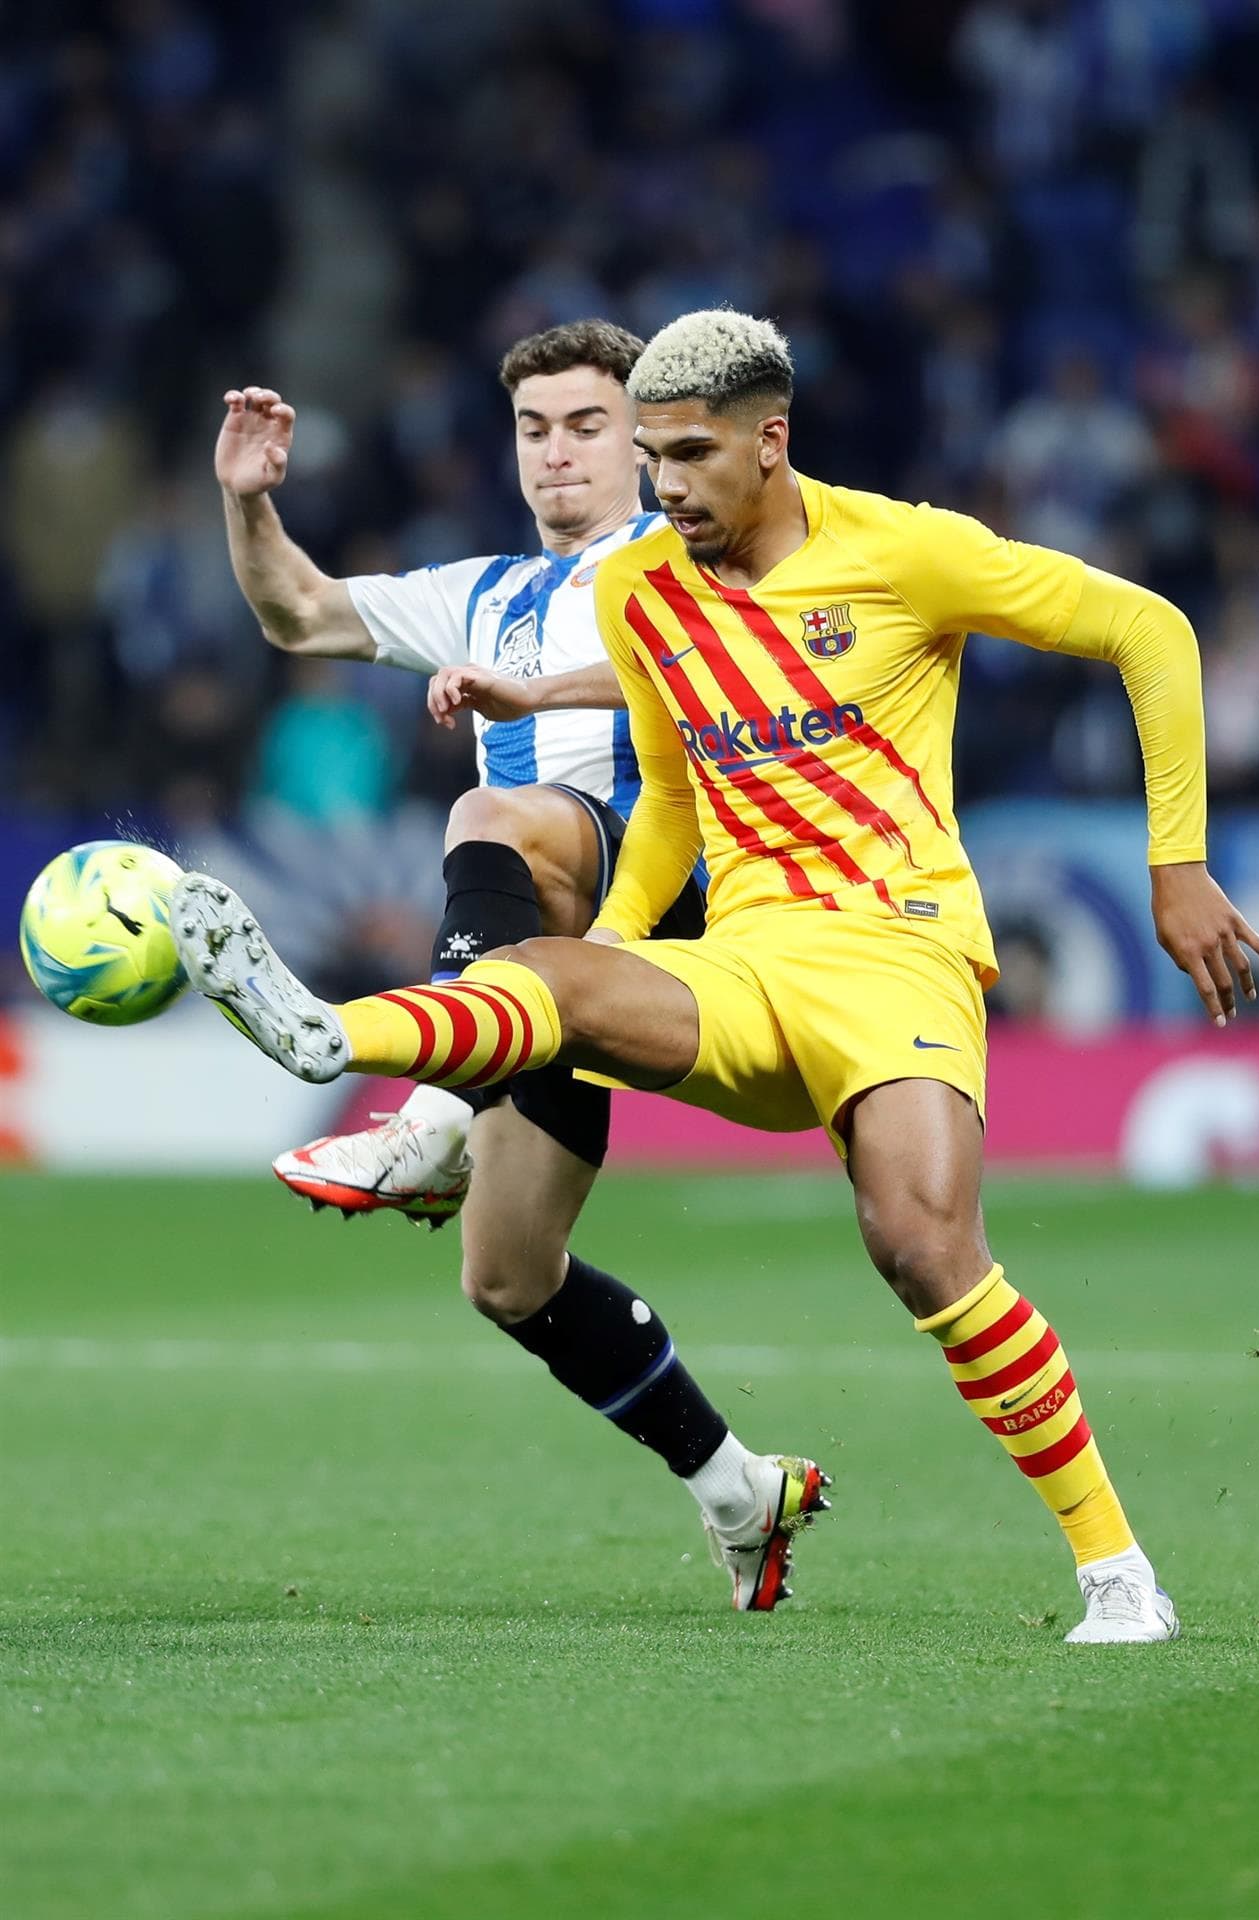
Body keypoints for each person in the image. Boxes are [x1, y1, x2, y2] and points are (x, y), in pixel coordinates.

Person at [174, 307, 1259, 1643]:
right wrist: (619, 954)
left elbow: (1150, 631)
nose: (668, 488)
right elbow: (679, 806)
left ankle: (1117, 1572)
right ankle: (326, 1038)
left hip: (896, 955)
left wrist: (1177, 867)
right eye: (653, 458)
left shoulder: (905, 552)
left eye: (687, 455)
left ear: (773, 441)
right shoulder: (649, 594)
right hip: (745, 961)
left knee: (922, 1247)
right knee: (549, 988)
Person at [213, 320, 829, 1613]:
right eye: (535, 429)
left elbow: (715, 670)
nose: (558, 454)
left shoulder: (692, 553)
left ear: (641, 436)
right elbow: (301, 614)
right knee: (506, 1274)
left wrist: (536, 693)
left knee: (490, 817)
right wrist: (247, 502)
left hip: (677, 911)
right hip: (540, 971)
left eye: (586, 426)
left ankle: (432, 1101)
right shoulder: (482, 591)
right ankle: (737, 1487)